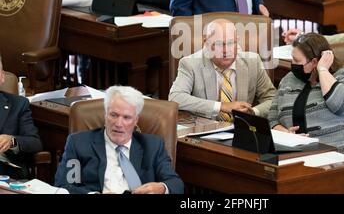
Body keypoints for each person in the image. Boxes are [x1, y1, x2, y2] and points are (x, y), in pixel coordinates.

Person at [54, 86, 184, 194]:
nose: (118, 123)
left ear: (136, 120)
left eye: (126, 117)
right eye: (113, 115)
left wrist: (161, 187)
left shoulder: (153, 146)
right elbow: (64, 186)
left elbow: (176, 184)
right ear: (105, 115)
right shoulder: (79, 144)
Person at [268, 33, 344, 158]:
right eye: (292, 58)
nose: (292, 63)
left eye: (297, 60)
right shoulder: (289, 80)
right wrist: (287, 134)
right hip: (300, 155)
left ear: (314, 62)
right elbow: (272, 119)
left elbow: (343, 105)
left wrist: (322, 70)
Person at [169, 19, 276, 120]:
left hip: (242, 129)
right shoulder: (190, 63)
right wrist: (222, 106)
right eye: (219, 44)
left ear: (237, 41)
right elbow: (175, 97)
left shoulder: (252, 62)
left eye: (231, 43)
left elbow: (272, 99)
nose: (226, 50)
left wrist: (253, 112)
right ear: (206, 43)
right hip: (205, 130)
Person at [0, 55, 43, 179]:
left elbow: (35, 143)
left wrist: (12, 141)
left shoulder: (18, 104)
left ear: (2, 77)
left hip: (6, 173)